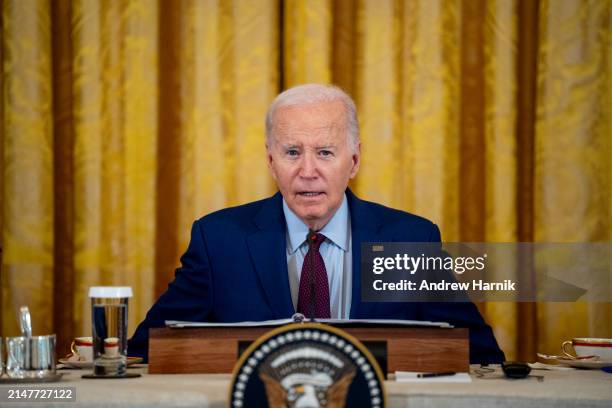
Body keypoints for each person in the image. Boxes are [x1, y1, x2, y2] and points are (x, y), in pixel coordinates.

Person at [128, 84, 505, 363]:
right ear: (272, 162)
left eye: (325, 152)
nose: (308, 171)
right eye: (292, 152)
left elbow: (480, 356)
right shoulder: (218, 240)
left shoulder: (410, 239)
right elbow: (149, 351)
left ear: (354, 161)